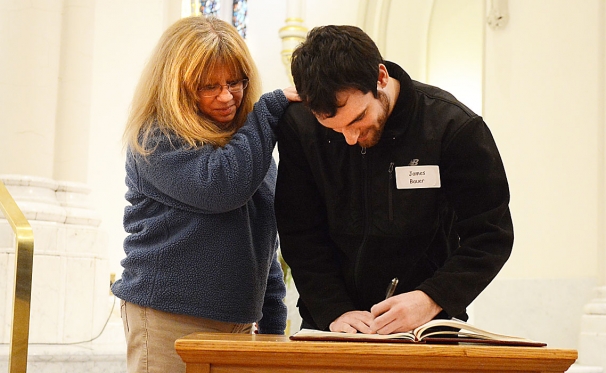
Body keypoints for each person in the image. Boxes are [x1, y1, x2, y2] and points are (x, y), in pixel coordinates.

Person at [275, 25, 514, 335]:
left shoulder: (453, 127)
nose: (349, 138)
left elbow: (490, 235)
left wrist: (432, 297)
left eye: (359, 118)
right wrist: (332, 308)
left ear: (381, 78)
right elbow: (300, 232)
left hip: (424, 326)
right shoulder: (301, 128)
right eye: (334, 129)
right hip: (332, 325)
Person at [111, 16, 298, 373]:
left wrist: (273, 314)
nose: (226, 96)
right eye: (208, 86)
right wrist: (268, 110)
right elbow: (220, 188)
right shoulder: (155, 139)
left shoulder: (247, 145)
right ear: (175, 86)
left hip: (239, 320)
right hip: (170, 317)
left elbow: (261, 237)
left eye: (234, 82)